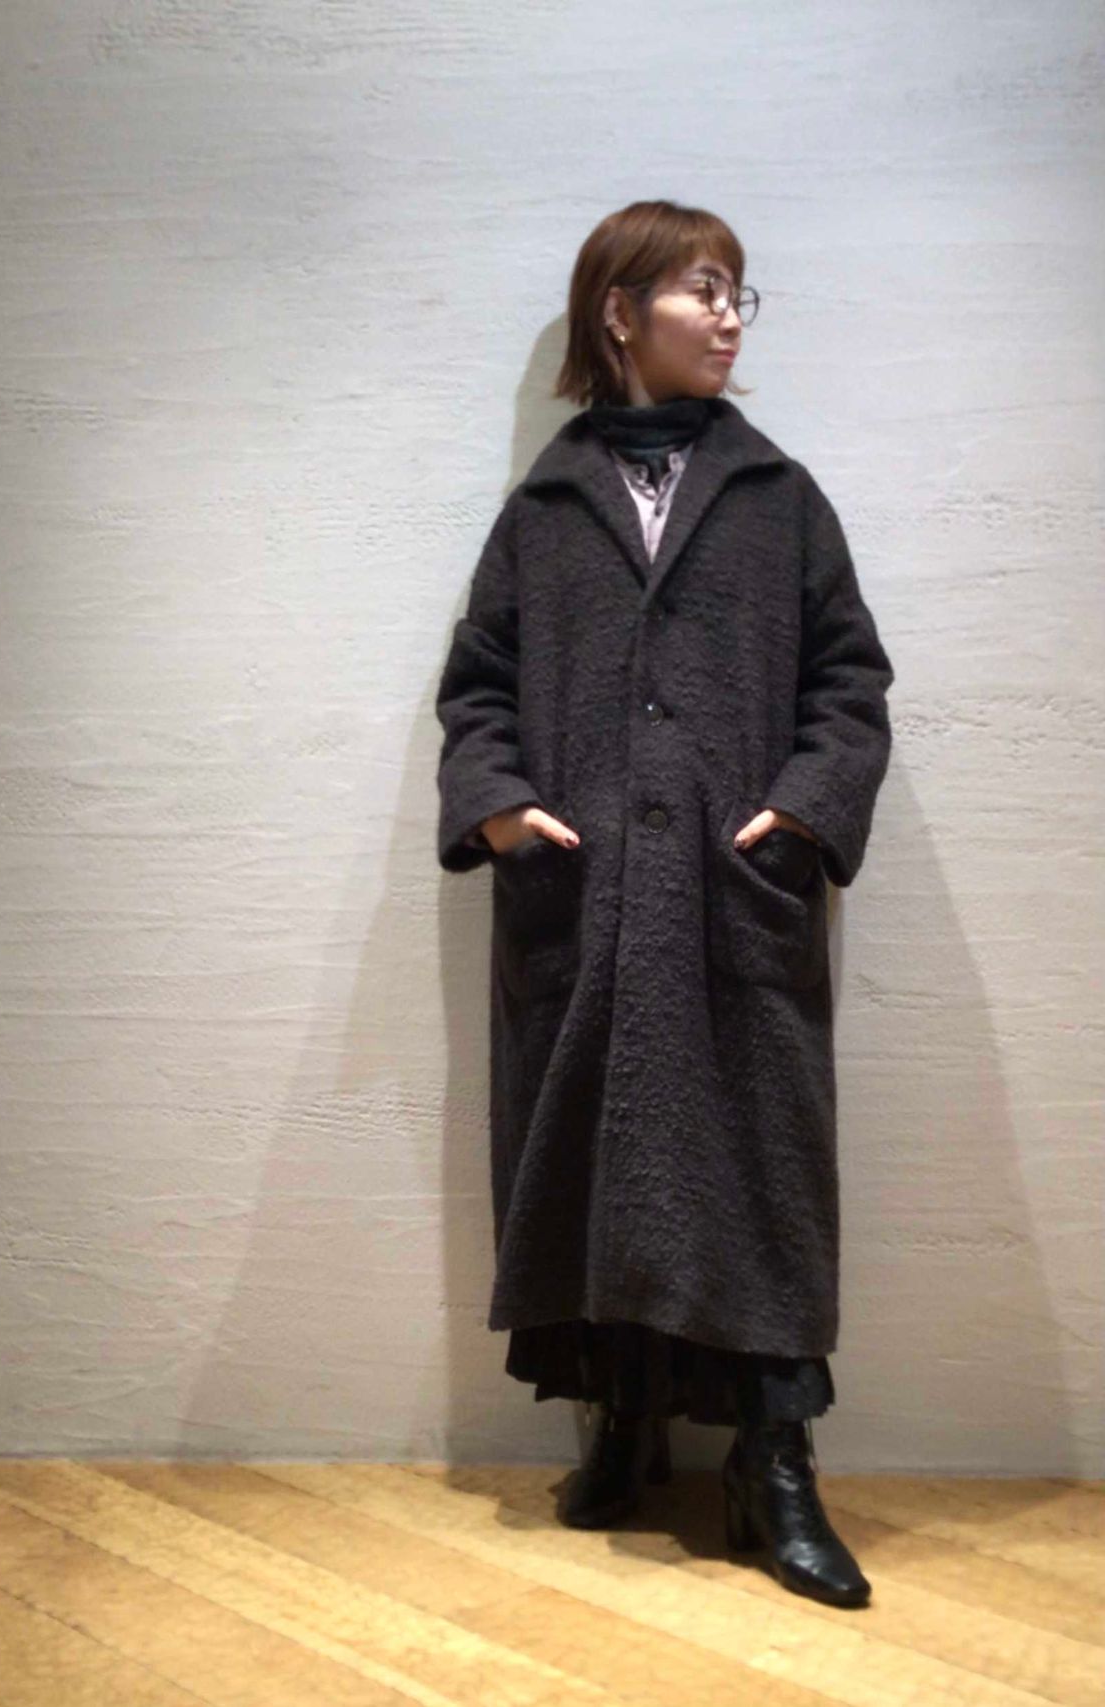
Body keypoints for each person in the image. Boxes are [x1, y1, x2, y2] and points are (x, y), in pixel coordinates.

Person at [433, 201, 894, 1610]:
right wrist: (498, 806)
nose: (733, 316)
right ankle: (621, 1423)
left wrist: (804, 813)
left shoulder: (779, 499)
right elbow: (477, 688)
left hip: (730, 903)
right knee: (589, 1160)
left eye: (743, 292)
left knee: (759, 1171)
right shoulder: (545, 512)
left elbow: (851, 685)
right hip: (582, 904)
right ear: (621, 313)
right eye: (706, 289)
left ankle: (776, 1463)